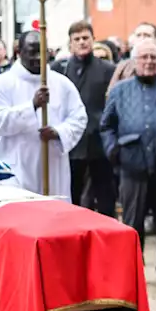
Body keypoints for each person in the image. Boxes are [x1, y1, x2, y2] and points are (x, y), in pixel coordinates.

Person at [101, 40, 156, 289]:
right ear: (134, 61)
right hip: (132, 164)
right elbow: (106, 125)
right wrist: (113, 151)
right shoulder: (119, 90)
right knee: (132, 221)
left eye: (154, 58)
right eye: (144, 57)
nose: (149, 62)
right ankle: (133, 268)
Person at [0, 31, 88, 202]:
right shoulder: (2, 83)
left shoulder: (62, 84)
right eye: (31, 52)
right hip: (16, 167)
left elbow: (78, 118)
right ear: (19, 53)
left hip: (52, 166)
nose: (38, 57)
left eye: (42, 52)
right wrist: (31, 107)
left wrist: (58, 132)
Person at [50, 21, 117, 215]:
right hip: (70, 141)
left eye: (85, 38)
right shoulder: (59, 69)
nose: (81, 42)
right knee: (72, 194)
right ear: (70, 43)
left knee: (105, 195)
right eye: (77, 39)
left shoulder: (107, 69)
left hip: (99, 141)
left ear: (93, 40)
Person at [109, 23, 156, 90]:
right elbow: (111, 94)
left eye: (147, 35)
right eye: (138, 35)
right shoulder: (123, 66)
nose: (142, 38)